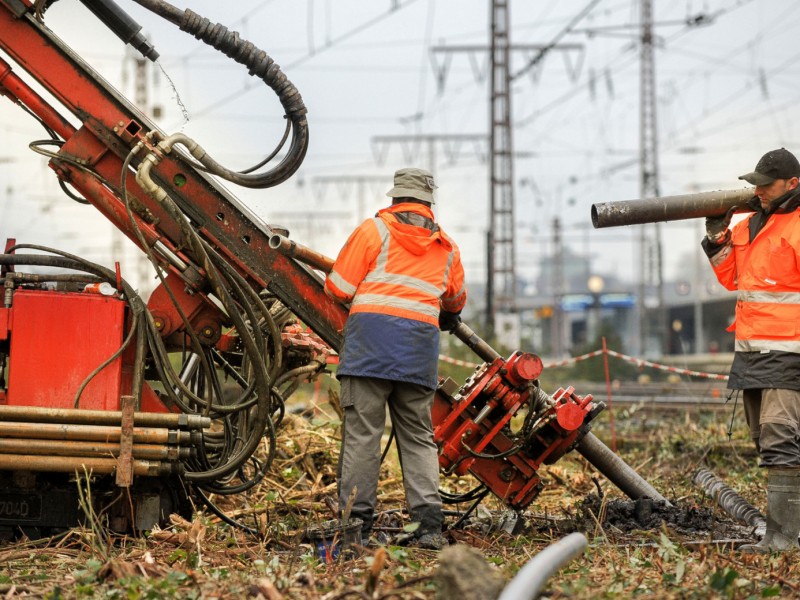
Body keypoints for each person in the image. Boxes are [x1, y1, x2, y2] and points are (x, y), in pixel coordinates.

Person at [324, 167, 467, 550]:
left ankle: (355, 528)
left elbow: (338, 287)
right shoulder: (447, 248)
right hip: (417, 354)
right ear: (429, 205)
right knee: (419, 438)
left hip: (369, 349)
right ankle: (429, 527)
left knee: (363, 436)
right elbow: (455, 302)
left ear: (394, 199)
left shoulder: (374, 231)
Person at [703, 148, 800, 553]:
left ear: (792, 184)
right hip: (753, 354)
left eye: (766, 184)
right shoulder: (747, 226)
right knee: (765, 441)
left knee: (781, 437)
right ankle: (787, 531)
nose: (758, 190)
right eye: (755, 183)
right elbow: (732, 278)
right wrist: (715, 237)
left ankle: (783, 539)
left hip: (790, 352)